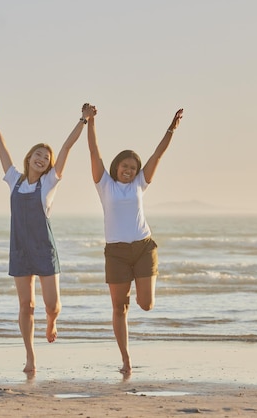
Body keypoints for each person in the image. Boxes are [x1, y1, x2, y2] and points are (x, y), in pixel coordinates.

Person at [0, 104, 90, 374]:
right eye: (37, 154)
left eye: (46, 157)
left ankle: (52, 321)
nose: (41, 159)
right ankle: (30, 357)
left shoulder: (49, 184)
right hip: (20, 250)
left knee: (52, 305)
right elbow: (2, 148)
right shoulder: (15, 181)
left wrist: (83, 120)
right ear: (29, 157)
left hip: (44, 251)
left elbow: (66, 148)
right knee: (25, 305)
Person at [85, 104, 184, 376]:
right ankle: (126, 360)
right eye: (124, 166)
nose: (128, 170)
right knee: (119, 307)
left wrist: (170, 130)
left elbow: (158, 155)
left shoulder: (141, 183)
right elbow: (94, 151)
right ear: (116, 166)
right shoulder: (104, 184)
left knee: (146, 305)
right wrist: (90, 122)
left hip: (143, 248)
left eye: (133, 167)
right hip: (116, 253)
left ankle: (145, 286)